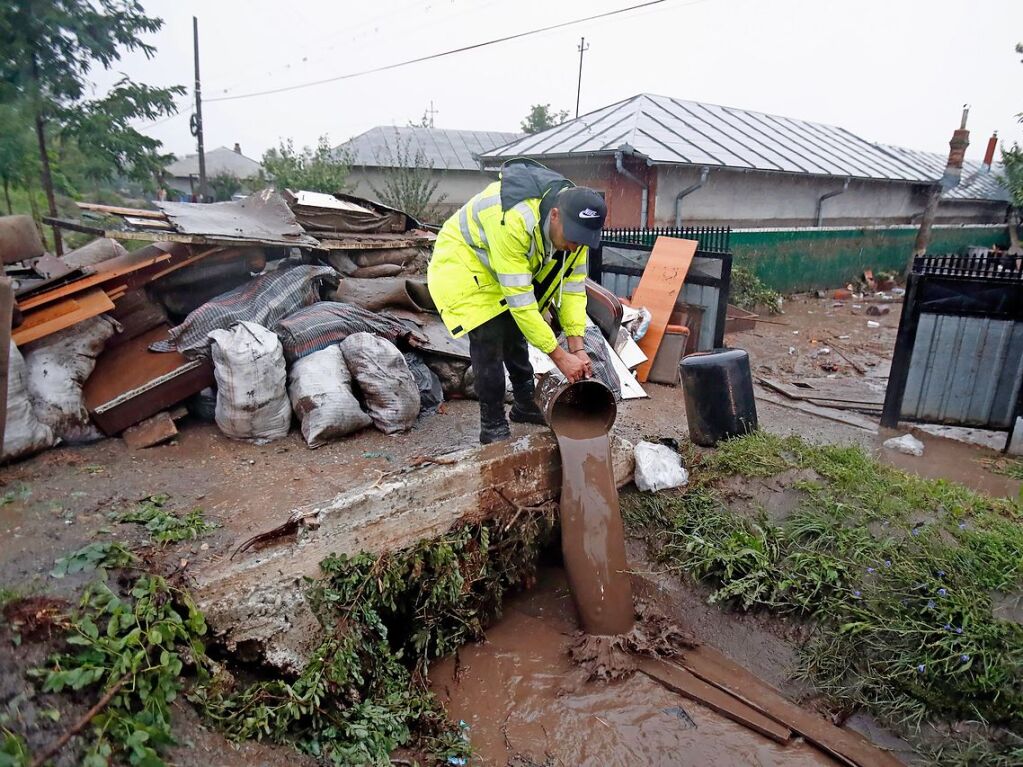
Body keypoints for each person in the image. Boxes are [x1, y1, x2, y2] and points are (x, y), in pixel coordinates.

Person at [427, 159, 607, 444]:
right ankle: (493, 424)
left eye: (583, 241)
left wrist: (577, 347)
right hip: (464, 264)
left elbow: (573, 290)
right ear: (556, 215)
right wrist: (560, 358)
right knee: (490, 337)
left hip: (504, 265)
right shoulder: (513, 219)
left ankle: (525, 404)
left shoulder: (576, 235)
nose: (575, 246)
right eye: (572, 238)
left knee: (515, 332)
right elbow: (521, 303)